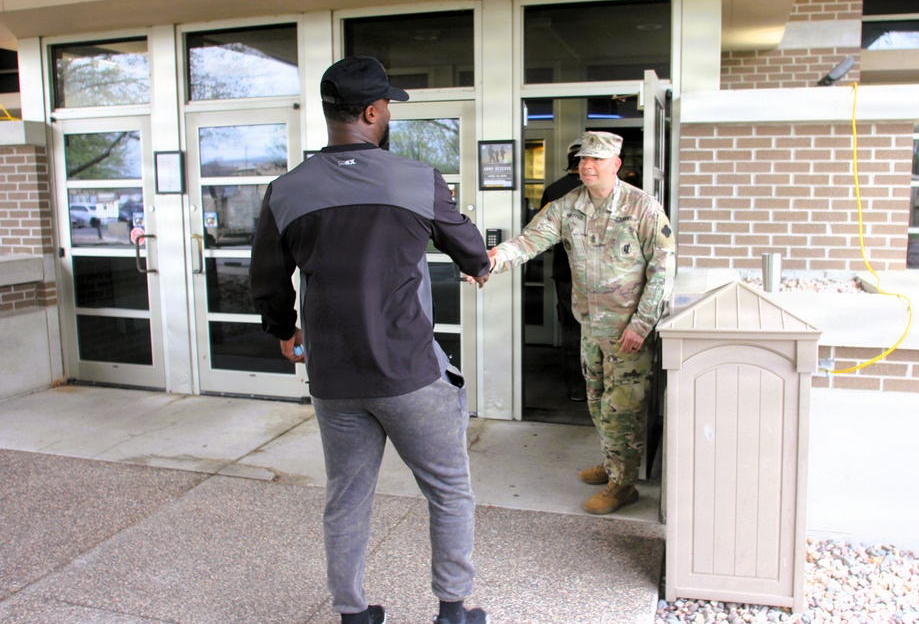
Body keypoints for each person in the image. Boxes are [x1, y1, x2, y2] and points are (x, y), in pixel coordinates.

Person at [249, 56, 491, 624]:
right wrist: (478, 266)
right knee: (450, 491)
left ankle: (353, 614)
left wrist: (285, 330)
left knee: (347, 497)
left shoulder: (285, 190)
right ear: (373, 111)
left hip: (333, 377)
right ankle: (453, 611)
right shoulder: (417, 179)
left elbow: (265, 280)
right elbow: (473, 252)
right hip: (410, 375)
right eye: (386, 108)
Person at [485, 131, 676, 515]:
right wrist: (490, 260)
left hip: (628, 332)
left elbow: (663, 269)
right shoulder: (567, 206)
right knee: (597, 403)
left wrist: (641, 325)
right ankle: (613, 463)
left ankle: (623, 485)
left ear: (615, 164)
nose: (587, 166)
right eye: (582, 161)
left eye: (596, 160)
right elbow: (528, 241)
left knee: (623, 407)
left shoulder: (643, 208)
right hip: (591, 326)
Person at [539, 138, 586, 402]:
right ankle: (599, 393)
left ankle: (577, 390)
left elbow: (540, 232)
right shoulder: (609, 190)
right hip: (606, 278)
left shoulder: (554, 190)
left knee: (572, 330)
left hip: (565, 273)